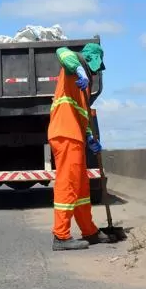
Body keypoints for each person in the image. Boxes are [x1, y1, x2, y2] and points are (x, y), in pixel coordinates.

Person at [47, 42, 119, 251]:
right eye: (95, 66)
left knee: (81, 188)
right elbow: (61, 51)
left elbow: (82, 114)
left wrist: (89, 138)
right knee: (68, 184)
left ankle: (89, 231)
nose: (96, 71)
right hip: (64, 133)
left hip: (75, 136)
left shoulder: (84, 86)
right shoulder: (74, 68)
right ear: (90, 60)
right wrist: (79, 68)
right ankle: (61, 236)